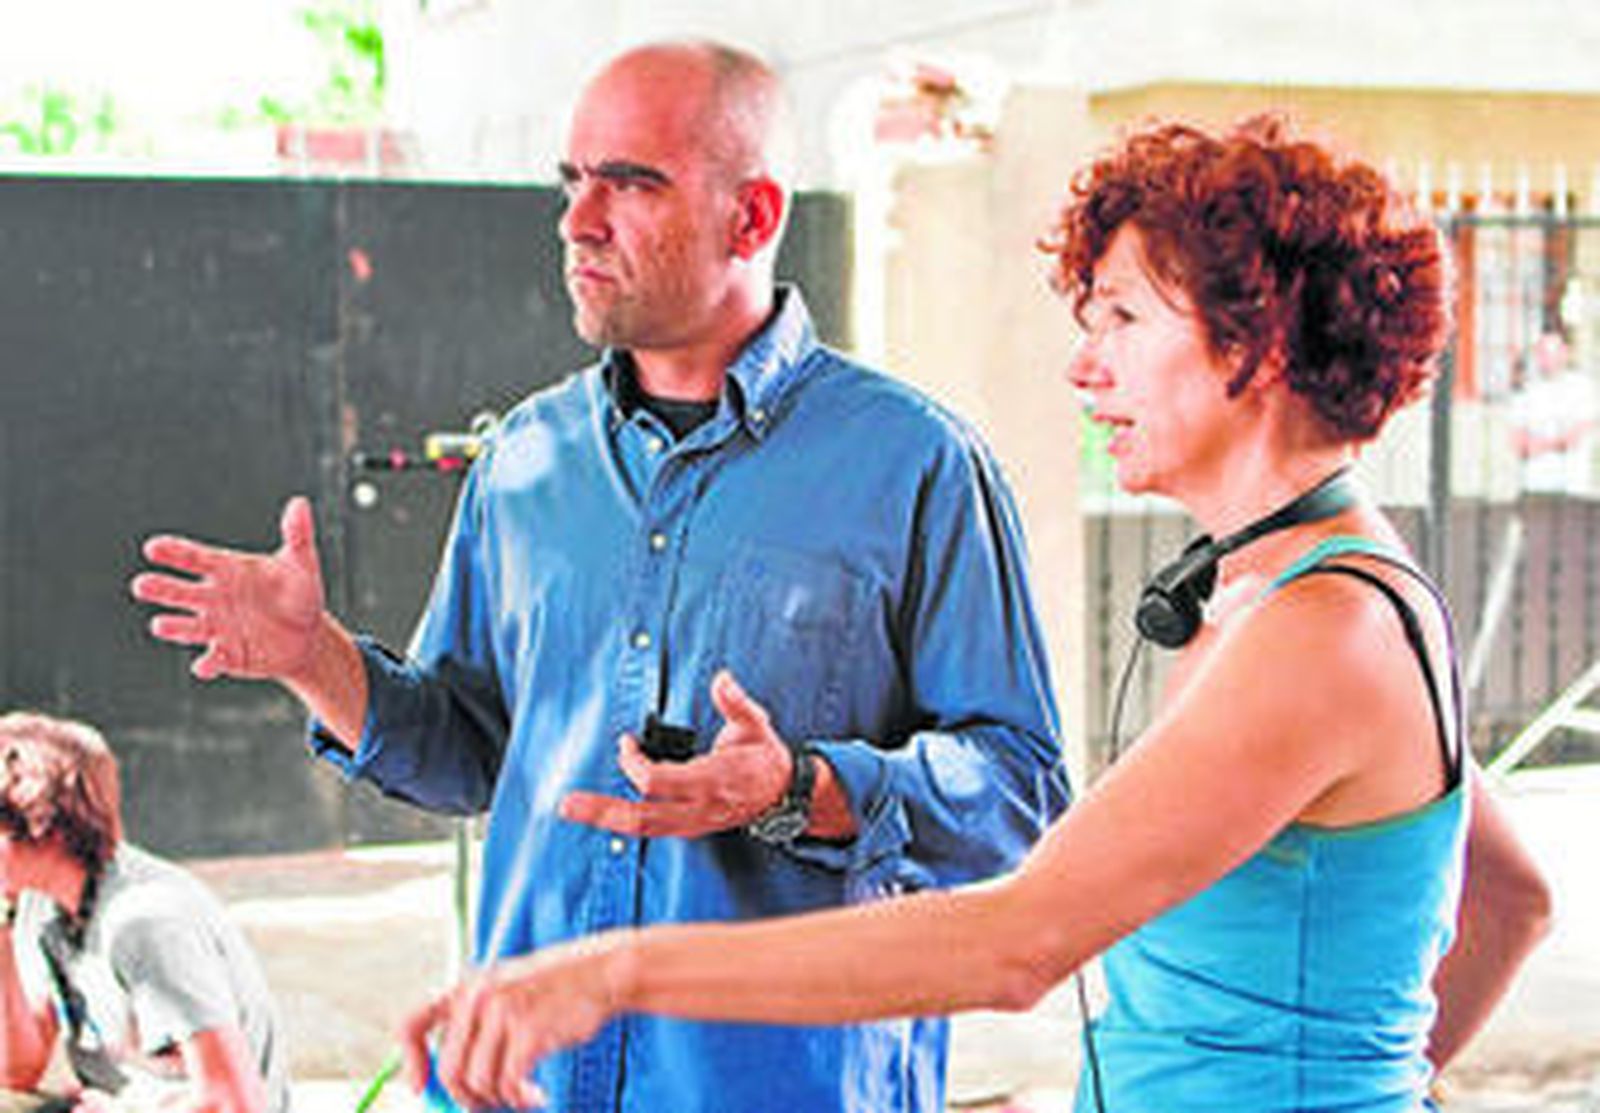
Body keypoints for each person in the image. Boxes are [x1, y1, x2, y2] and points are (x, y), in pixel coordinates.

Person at [396, 118, 1555, 1113]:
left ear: (1252, 342)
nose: (1082, 369)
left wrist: (611, 973)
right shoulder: (1299, 592)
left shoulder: (1322, 633)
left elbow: (1017, 944)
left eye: (1119, 320)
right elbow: (1510, 894)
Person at [129, 38, 1070, 1113]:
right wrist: (316, 660)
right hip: (527, 1088)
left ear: (752, 217)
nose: (579, 222)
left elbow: (1020, 791)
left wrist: (801, 788)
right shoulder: (525, 460)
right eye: (572, 183)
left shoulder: (915, 466)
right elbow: (471, 753)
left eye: (629, 183)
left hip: (778, 1090)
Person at [0, 713, 290, 1113]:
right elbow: (19, 1072)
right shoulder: (43, 902)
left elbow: (234, 1102)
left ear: (46, 827)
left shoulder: (145, 922)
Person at [1509, 330, 1598, 493]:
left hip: (1573, 483)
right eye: (1541, 352)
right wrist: (1557, 443)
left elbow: (1577, 435)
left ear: (1565, 353)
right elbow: (1518, 442)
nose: (1546, 358)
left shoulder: (1582, 387)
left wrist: (1541, 445)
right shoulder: (1527, 389)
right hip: (1533, 483)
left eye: (1552, 352)